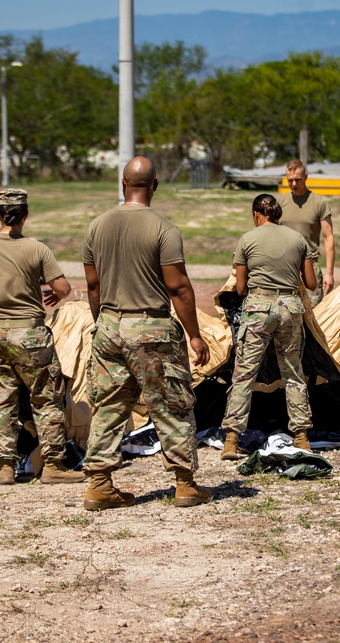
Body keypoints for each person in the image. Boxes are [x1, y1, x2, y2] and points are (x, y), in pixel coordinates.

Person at [81, 156, 212, 510]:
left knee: (109, 404)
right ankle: (185, 485)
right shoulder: (164, 229)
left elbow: (93, 286)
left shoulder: (96, 226)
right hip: (151, 328)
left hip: (108, 325)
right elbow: (179, 288)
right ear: (154, 186)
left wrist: (101, 322)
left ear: (123, 184)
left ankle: (99, 484)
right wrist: (195, 335)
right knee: (171, 403)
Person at [0, 188, 83, 485]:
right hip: (30, 335)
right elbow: (64, 289)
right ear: (26, 215)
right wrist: (50, 295)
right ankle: (53, 464)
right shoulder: (37, 249)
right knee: (45, 399)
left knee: (2, 400)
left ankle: (6, 466)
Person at [220, 194, 317, 460]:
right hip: (290, 308)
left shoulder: (247, 240)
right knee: (293, 373)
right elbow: (311, 283)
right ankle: (302, 436)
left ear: (256, 214)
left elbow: (240, 288)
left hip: (259, 309)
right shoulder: (298, 240)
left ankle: (231, 440)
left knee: (244, 374)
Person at [279, 160, 335, 307]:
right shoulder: (280, 202)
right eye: (290, 180)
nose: (294, 184)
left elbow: (328, 238)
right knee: (285, 314)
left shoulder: (319, 203)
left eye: (298, 179)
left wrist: (330, 274)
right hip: (285, 266)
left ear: (306, 176)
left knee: (313, 314)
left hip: (310, 266)